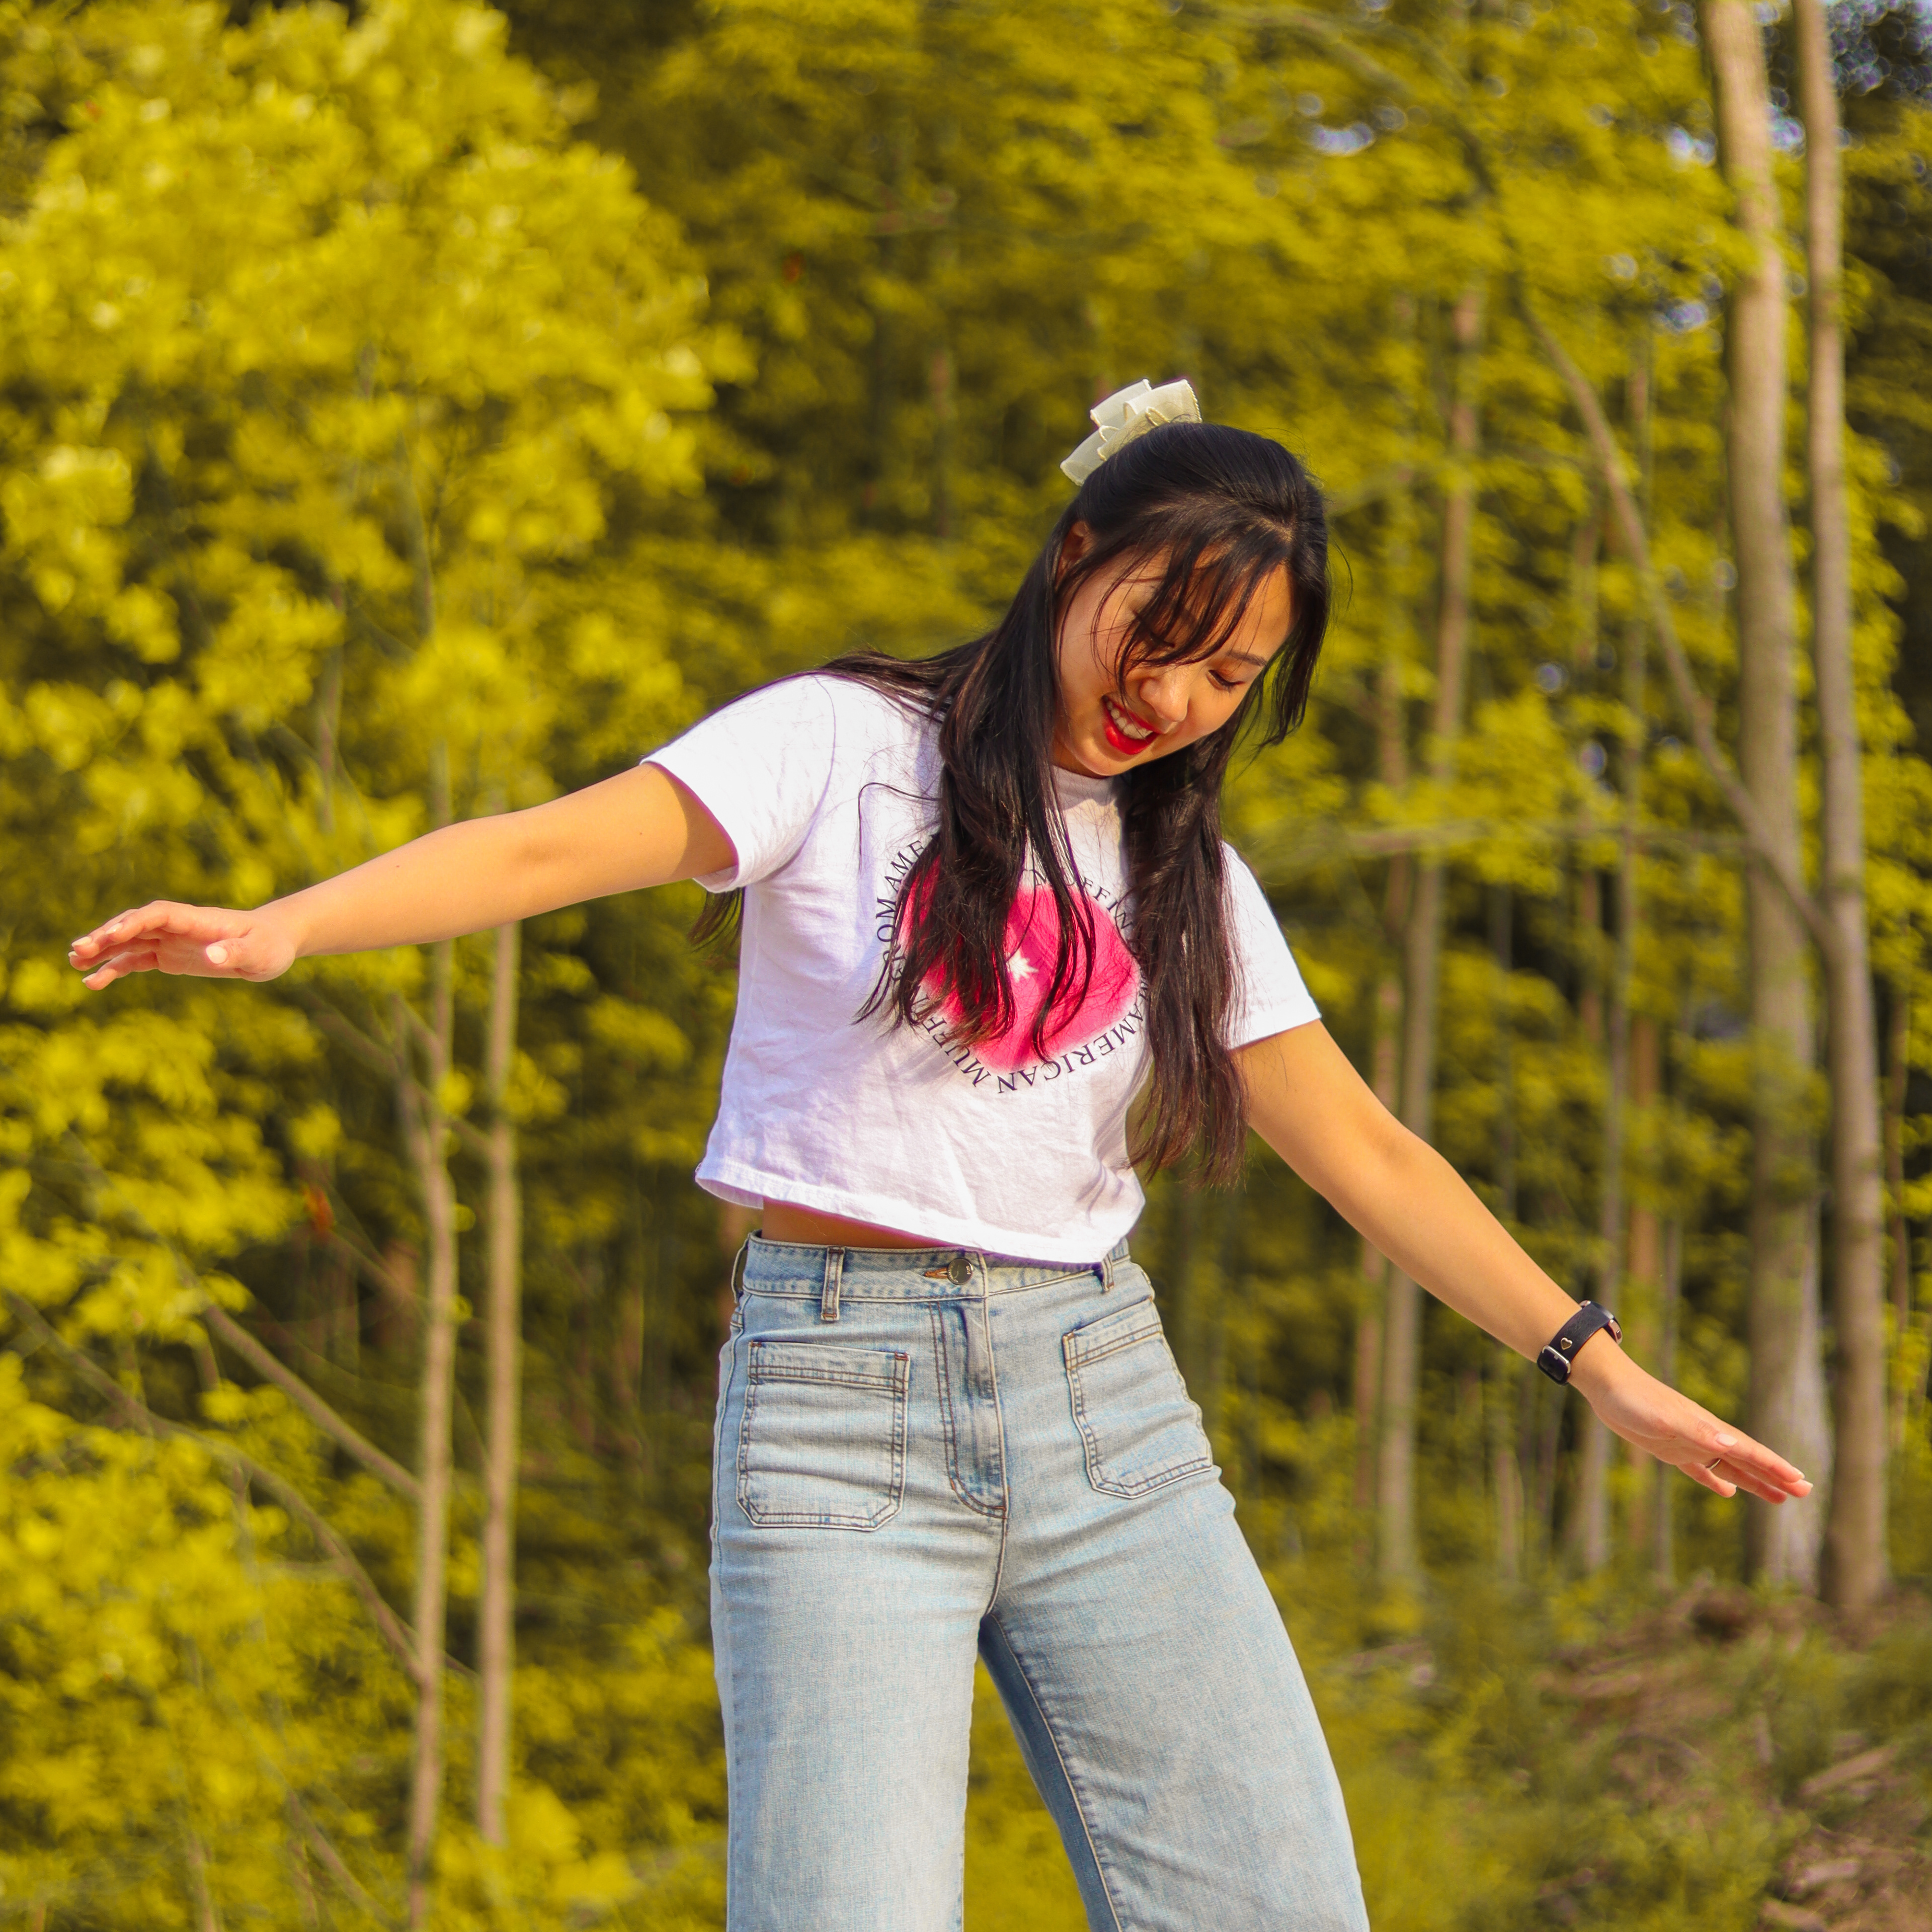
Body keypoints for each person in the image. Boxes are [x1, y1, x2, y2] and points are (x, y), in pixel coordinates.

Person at [70, 381, 1810, 1932]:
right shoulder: (838, 747)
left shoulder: (1189, 882)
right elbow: (542, 849)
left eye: (1230, 676)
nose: (1174, 697)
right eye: (1160, 634)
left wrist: (1598, 1365)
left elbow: (1364, 1145)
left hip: (1108, 1412)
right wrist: (289, 927)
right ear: (1075, 555)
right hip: (840, 1411)